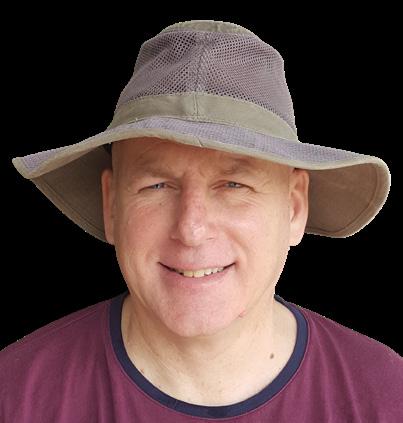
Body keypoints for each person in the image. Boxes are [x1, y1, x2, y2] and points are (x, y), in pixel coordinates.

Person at [2, 19, 402, 422]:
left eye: (233, 184)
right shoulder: (15, 395)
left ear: (295, 207)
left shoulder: (388, 396)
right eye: (158, 185)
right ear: (112, 205)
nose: (191, 230)